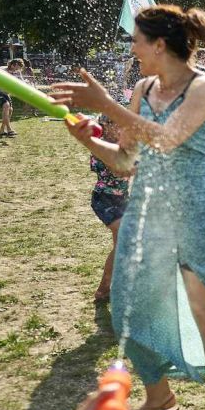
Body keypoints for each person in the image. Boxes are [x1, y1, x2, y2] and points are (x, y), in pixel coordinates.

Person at [52, 4, 205, 410]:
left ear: (158, 44)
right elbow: (126, 162)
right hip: (146, 214)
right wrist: (91, 140)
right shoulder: (142, 88)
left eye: (136, 40)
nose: (131, 48)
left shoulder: (203, 87)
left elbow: (169, 140)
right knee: (131, 308)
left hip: (196, 214)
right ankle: (159, 397)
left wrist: (105, 104)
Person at [89, 116, 132, 301]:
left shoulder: (123, 143)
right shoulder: (100, 147)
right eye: (117, 124)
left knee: (120, 246)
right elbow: (120, 170)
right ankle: (103, 289)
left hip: (123, 199)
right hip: (104, 200)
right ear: (105, 126)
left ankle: (110, 289)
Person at [0, 60, 22, 137]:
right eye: (17, 68)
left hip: (5, 92)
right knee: (6, 105)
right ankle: (9, 129)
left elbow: (21, 82)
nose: (17, 71)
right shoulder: (1, 70)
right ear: (14, 65)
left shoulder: (17, 72)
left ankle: (2, 130)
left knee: (10, 109)